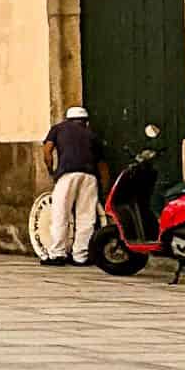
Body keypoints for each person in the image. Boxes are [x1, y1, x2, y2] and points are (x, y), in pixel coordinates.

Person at [42, 104, 107, 267]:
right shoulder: (92, 135)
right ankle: (80, 255)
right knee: (86, 216)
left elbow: (47, 150)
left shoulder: (58, 129)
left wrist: (51, 170)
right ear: (85, 121)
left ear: (68, 119)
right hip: (89, 176)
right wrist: (104, 186)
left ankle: (57, 254)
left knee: (60, 213)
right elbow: (102, 164)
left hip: (67, 174)